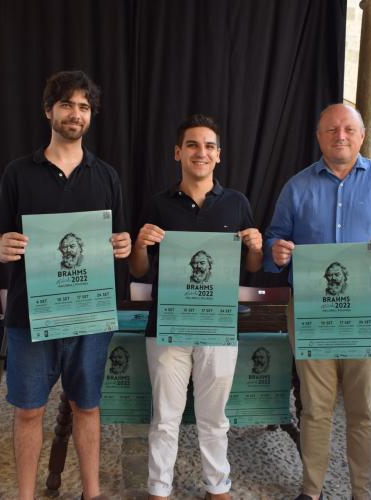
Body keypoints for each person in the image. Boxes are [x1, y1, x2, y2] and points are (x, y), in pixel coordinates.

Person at [264, 103, 371, 500]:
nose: (340, 136)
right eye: (331, 130)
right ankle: (311, 491)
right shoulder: (297, 187)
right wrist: (277, 252)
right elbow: (274, 240)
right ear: (319, 137)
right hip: (311, 311)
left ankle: (361, 493)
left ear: (362, 135)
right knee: (315, 408)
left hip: (368, 311)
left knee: (364, 410)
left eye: (349, 129)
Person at [0, 70, 131, 500]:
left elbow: (118, 240)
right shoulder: (18, 173)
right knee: (29, 411)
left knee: (87, 406)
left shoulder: (106, 176)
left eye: (84, 107)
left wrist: (123, 244)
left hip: (90, 316)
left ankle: (92, 493)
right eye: (67, 104)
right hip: (31, 316)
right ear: (48, 110)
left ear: (91, 115)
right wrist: (1, 246)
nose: (76, 113)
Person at [128, 114, 263, 500]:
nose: (200, 152)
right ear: (178, 153)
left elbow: (252, 268)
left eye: (208, 146)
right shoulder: (158, 204)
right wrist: (140, 244)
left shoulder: (237, 204)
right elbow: (139, 270)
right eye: (192, 145)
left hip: (218, 327)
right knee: (165, 416)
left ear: (218, 155)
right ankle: (159, 488)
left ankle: (217, 486)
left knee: (214, 417)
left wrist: (256, 247)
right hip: (167, 326)